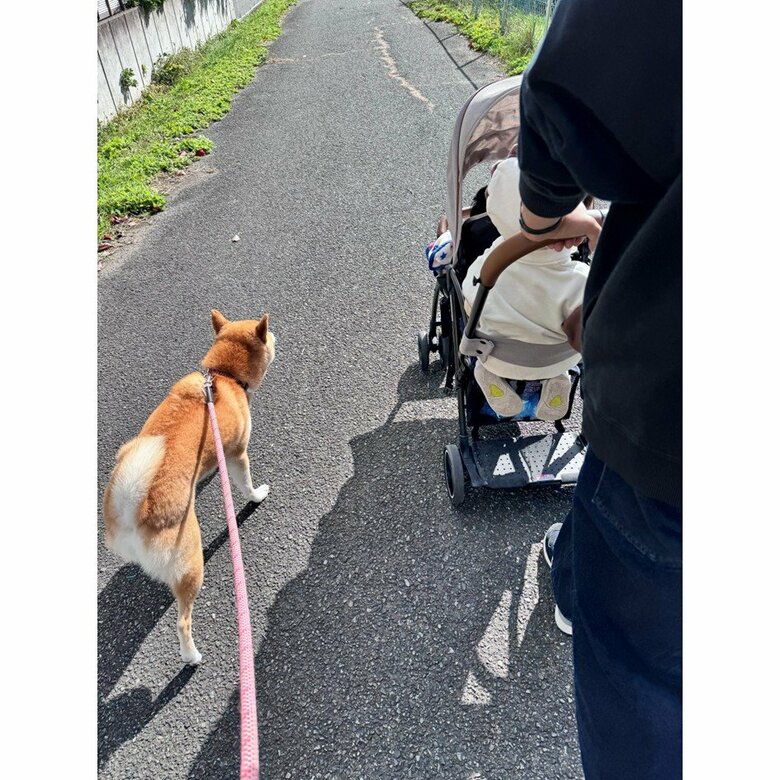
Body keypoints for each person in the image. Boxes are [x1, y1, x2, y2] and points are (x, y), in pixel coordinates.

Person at [499, 1, 682, 779]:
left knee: (644, 688)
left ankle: (576, 567)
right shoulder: (568, 270)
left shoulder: (497, 266)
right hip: (578, 372)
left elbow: (577, 88)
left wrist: (544, 205)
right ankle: (573, 560)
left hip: (666, 415)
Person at [461, 155, 591, 420]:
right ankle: (557, 378)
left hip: (497, 355)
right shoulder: (579, 278)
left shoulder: (491, 263)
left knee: (475, 309)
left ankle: (488, 376)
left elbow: (468, 293)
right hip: (557, 358)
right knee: (563, 328)